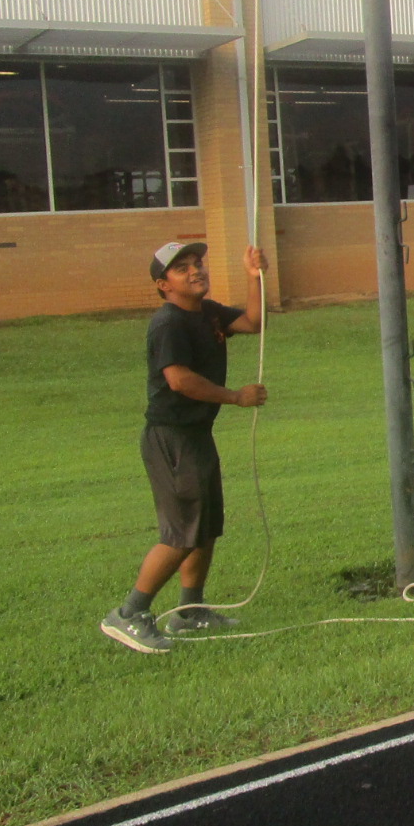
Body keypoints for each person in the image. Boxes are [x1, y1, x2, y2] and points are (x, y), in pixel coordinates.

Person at [101, 242, 269, 653]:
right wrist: (236, 397)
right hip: (172, 437)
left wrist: (253, 277)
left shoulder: (208, 313)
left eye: (197, 263)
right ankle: (127, 614)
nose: (196, 270)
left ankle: (189, 612)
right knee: (181, 534)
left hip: (197, 435)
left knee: (204, 528)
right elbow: (178, 380)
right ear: (164, 284)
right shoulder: (168, 324)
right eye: (182, 268)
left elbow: (254, 322)